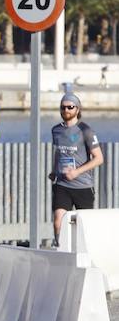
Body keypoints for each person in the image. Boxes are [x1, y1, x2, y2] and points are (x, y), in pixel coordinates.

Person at [49, 93, 102, 247]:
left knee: (84, 227)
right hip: (62, 185)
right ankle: (60, 250)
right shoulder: (56, 130)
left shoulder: (86, 130)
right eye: (63, 107)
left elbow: (99, 158)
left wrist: (77, 172)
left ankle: (88, 254)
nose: (66, 110)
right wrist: (54, 171)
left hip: (82, 186)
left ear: (77, 109)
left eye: (70, 107)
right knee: (58, 221)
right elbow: (59, 152)